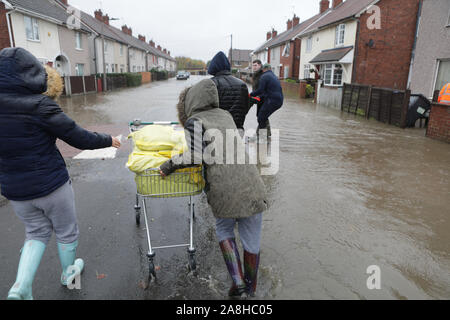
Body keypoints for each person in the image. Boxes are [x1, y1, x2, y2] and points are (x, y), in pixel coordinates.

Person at [0, 47, 121, 300]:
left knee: (35, 232)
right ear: (33, 74)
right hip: (51, 185)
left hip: (15, 191)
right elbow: (79, 137)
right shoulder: (40, 106)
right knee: (66, 231)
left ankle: (20, 287)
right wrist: (109, 140)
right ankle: (69, 275)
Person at [159, 79, 268, 298]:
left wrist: (168, 165)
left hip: (225, 189)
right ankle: (251, 289)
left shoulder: (194, 121)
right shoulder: (225, 115)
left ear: (189, 102)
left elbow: (195, 155)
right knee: (252, 241)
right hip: (254, 184)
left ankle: (237, 284)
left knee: (224, 230)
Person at [208, 51, 250, 131]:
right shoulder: (242, 84)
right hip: (237, 128)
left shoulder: (211, 83)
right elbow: (246, 107)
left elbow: (206, 108)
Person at [250, 63, 284, 140]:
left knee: (261, 117)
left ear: (263, 69)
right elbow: (268, 90)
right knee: (263, 117)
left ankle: (262, 137)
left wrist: (250, 94)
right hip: (279, 100)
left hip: (272, 100)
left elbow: (260, 90)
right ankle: (265, 135)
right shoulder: (273, 76)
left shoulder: (264, 76)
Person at [250, 60, 271, 136]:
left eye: (255, 65)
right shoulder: (255, 75)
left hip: (263, 99)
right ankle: (267, 134)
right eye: (253, 65)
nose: (254, 67)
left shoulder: (262, 75)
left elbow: (264, 88)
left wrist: (258, 96)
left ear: (260, 65)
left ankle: (261, 135)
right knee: (262, 116)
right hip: (258, 98)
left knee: (261, 116)